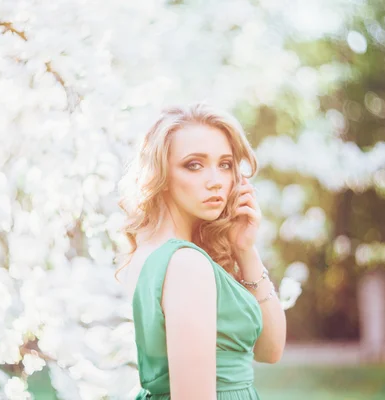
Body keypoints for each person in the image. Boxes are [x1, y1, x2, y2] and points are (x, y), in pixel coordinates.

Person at [116, 103, 286, 399]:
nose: (216, 181)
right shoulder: (185, 264)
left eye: (225, 165)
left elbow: (271, 349)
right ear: (162, 174)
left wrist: (245, 250)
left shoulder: (156, 251)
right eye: (194, 165)